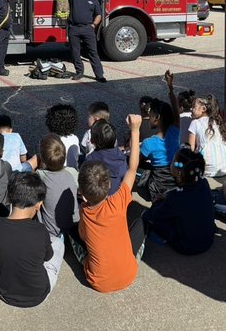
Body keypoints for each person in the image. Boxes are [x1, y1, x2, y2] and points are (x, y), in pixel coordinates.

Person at [77, 113, 144, 293]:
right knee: (138, 223)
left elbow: (83, 237)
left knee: (73, 236)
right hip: (130, 273)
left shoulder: (85, 211)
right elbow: (133, 167)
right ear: (108, 186)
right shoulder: (119, 200)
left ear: (82, 195)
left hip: (98, 282)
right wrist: (135, 130)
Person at [0, 172, 61, 308]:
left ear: (11, 197)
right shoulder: (40, 230)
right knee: (58, 243)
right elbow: (48, 257)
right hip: (38, 294)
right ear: (38, 204)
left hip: (4, 292)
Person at [142, 146, 215, 255]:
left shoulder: (176, 197)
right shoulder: (203, 183)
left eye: (173, 161)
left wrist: (156, 202)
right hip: (208, 239)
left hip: (187, 246)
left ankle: (160, 237)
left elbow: (157, 215)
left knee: (147, 216)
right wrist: (167, 197)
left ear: (178, 172)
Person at [34, 135, 80, 259]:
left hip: (51, 230)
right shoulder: (72, 173)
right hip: (74, 224)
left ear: (42, 159)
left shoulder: (40, 175)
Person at [135, 99, 179, 201]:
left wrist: (134, 130)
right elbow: (177, 115)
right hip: (176, 181)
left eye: (150, 115)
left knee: (130, 161)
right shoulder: (176, 132)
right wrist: (171, 90)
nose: (148, 118)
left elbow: (135, 162)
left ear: (157, 118)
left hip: (159, 186)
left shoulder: (148, 143)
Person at [66, 0, 107, 82]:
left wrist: (93, 25)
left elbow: (98, 15)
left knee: (93, 52)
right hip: (74, 28)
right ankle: (79, 72)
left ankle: (99, 75)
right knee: (75, 52)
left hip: (87, 29)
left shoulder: (93, 0)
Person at [186, 95, 226, 178]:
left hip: (208, 170)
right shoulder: (216, 121)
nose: (191, 109)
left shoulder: (195, 123)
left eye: (194, 106)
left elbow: (190, 148)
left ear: (204, 109)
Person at [83, 120, 126, 196]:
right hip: (116, 198)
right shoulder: (122, 157)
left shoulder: (90, 159)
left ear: (92, 141)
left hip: (97, 198)